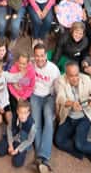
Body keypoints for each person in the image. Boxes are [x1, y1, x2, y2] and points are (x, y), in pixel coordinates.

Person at [30, 44, 61, 173]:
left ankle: (42, 157)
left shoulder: (53, 69)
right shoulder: (31, 65)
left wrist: (57, 105)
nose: (40, 58)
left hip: (49, 97)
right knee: (36, 123)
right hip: (35, 96)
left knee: (48, 120)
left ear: (46, 55)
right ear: (34, 55)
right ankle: (42, 160)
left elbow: (58, 88)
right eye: (37, 55)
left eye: (42, 55)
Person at [0, 101, 36, 168]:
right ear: (17, 112)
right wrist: (10, 144)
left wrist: (18, 149)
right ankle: (11, 148)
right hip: (13, 137)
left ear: (28, 113)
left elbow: (29, 141)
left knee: (17, 163)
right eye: (21, 112)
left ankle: (17, 150)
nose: (22, 115)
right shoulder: (14, 117)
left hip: (22, 142)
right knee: (0, 151)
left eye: (25, 113)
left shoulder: (32, 126)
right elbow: (9, 129)